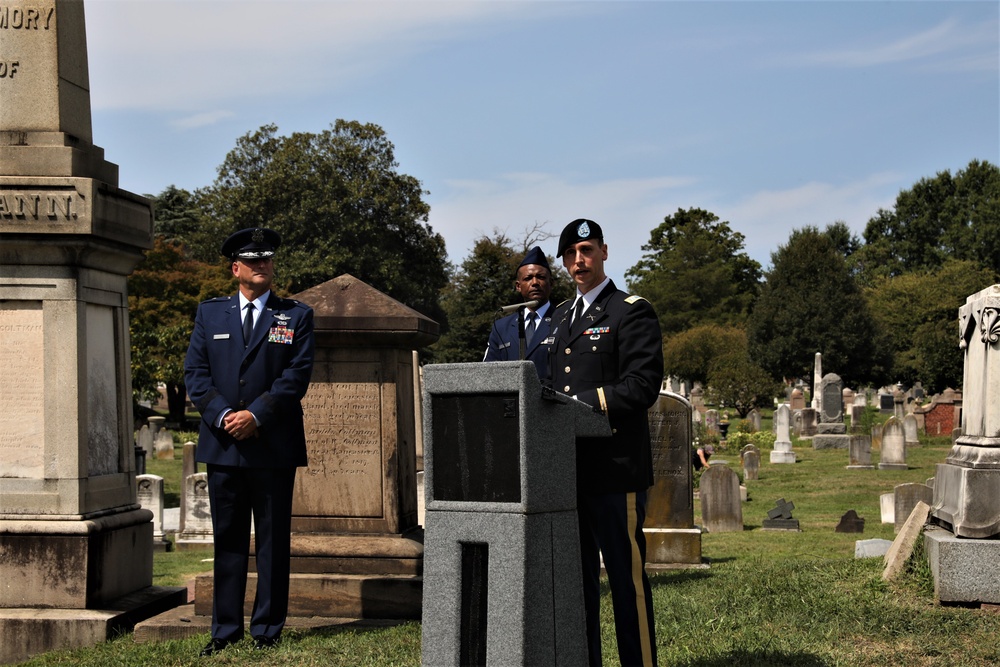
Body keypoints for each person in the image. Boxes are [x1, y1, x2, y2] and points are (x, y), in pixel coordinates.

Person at [184, 227, 315, 656]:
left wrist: (256, 415)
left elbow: (295, 376)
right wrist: (225, 416)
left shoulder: (295, 315)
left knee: (273, 542)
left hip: (273, 444)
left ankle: (267, 630)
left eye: (268, 259)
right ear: (235, 268)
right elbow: (196, 375)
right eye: (252, 260)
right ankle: (224, 631)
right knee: (229, 541)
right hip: (224, 445)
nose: (262, 265)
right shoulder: (210, 314)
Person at [546, 218, 663, 666]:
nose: (580, 260)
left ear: (605, 252)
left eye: (588, 250)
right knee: (578, 587)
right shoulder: (559, 318)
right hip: (569, 472)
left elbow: (642, 385)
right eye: (572, 254)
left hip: (616, 470)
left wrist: (580, 401)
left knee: (626, 581)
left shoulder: (630, 310)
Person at [483, 245, 554, 379]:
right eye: (528, 278)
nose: (535, 283)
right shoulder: (501, 328)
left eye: (541, 277)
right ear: (518, 286)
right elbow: (488, 373)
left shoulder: (564, 320)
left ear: (551, 283)